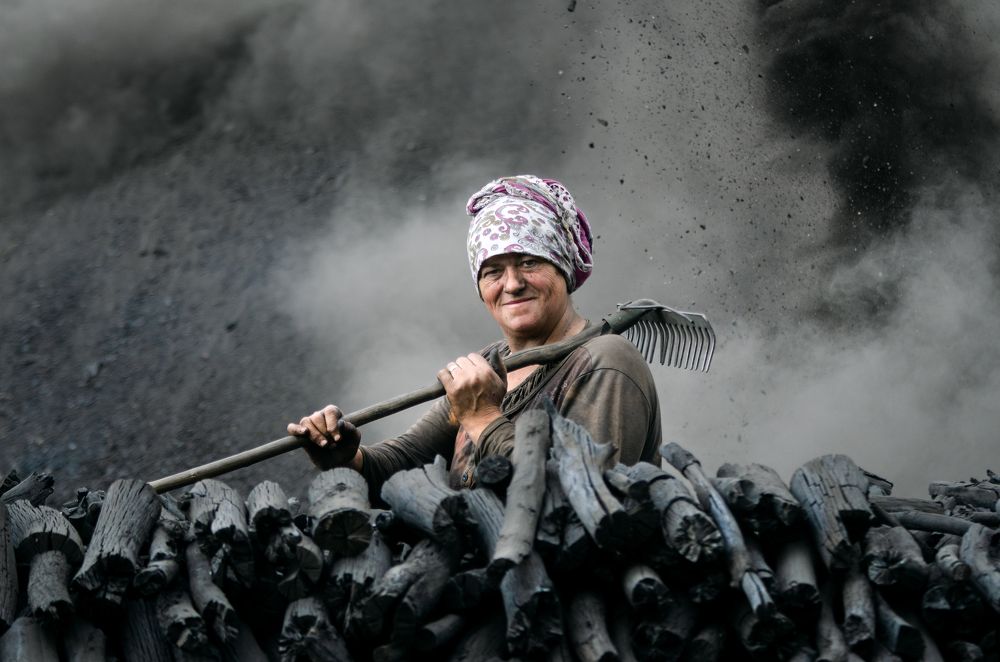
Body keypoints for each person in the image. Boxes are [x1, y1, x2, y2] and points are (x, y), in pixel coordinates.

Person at [289, 175, 662, 495]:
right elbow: (402, 462)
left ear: (563, 269)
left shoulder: (606, 361)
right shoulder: (489, 367)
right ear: (481, 288)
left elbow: (585, 498)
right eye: (493, 271)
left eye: (530, 262)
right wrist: (347, 459)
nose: (512, 284)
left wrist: (482, 418)